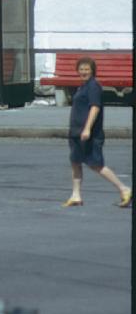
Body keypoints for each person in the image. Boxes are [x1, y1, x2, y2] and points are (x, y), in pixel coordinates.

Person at [62, 57, 132, 208]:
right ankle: (76, 195)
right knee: (75, 162)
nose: (84, 72)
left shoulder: (94, 86)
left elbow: (95, 107)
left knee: (96, 164)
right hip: (76, 132)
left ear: (92, 70)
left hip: (89, 134)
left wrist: (87, 128)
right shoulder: (83, 87)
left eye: (87, 69)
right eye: (81, 69)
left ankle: (124, 189)